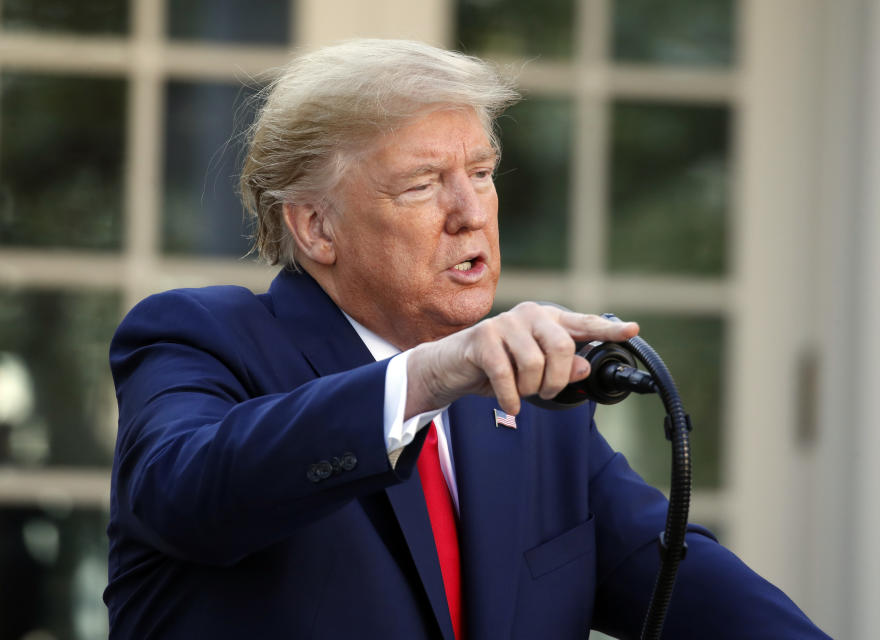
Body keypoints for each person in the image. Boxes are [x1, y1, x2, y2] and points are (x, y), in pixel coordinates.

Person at [104, 39, 829, 639]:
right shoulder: (199, 337)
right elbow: (185, 490)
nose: (469, 213)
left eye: (480, 173)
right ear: (316, 227)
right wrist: (428, 376)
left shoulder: (544, 422)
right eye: (422, 185)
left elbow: (703, 593)